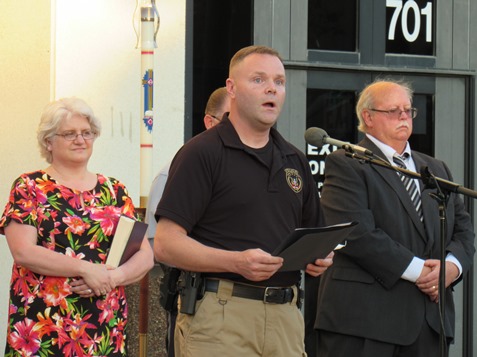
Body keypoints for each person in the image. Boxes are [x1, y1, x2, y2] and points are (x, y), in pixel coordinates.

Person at [154, 45, 333, 357]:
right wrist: (235, 262)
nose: (271, 89)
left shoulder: (295, 160)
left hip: (285, 316)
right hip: (221, 314)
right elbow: (166, 245)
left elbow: (311, 235)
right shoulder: (202, 153)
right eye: (258, 80)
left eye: (279, 82)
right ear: (232, 88)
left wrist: (320, 258)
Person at [315, 79, 475, 357]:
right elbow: (356, 233)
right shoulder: (347, 163)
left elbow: (463, 230)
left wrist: (450, 268)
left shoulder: (436, 169)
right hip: (365, 323)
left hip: (429, 325)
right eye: (393, 111)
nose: (404, 116)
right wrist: (421, 273)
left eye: (408, 110)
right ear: (368, 117)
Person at [0, 97, 154, 357]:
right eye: (69, 134)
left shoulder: (114, 190)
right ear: (49, 141)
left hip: (104, 328)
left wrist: (109, 279)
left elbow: (145, 255)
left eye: (87, 133)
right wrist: (86, 269)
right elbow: (23, 251)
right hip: (44, 327)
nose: (80, 140)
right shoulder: (30, 186)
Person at [145, 86, 230, 357]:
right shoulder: (174, 171)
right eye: (229, 118)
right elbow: (157, 244)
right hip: (194, 298)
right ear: (209, 122)